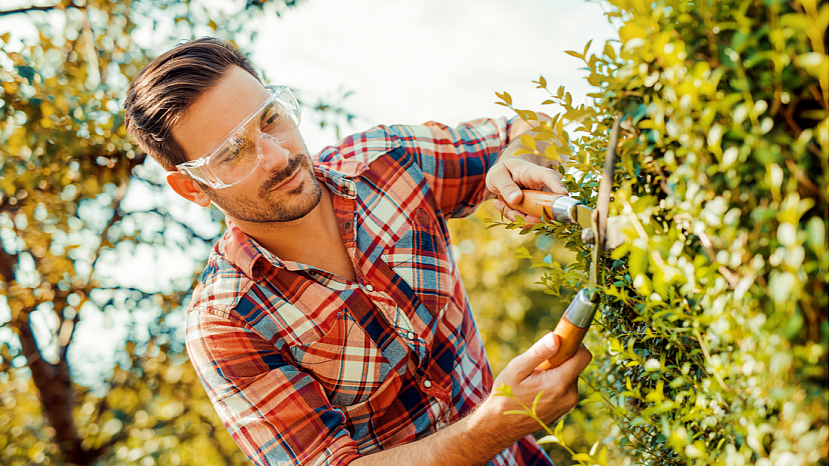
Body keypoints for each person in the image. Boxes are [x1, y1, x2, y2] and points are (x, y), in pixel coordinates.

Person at [124, 37, 592, 466]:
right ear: (192, 187)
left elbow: (532, 128)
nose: (278, 155)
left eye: (271, 119)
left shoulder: (390, 162)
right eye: (233, 152)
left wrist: (521, 159)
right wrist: (495, 425)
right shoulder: (227, 322)